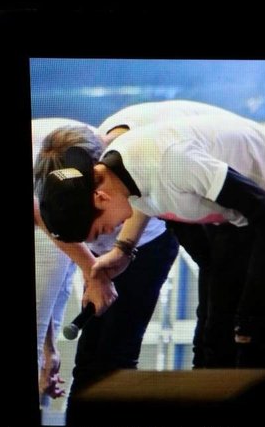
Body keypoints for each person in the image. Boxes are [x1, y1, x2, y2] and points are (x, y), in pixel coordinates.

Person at [39, 110, 265, 370]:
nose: (109, 233)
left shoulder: (170, 164)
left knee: (251, 329)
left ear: (100, 198)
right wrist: (122, 251)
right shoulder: (122, 179)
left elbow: (257, 201)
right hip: (234, 218)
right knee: (215, 332)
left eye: (101, 229)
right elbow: (187, 226)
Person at [32, 118, 179, 403]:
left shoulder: (126, 158)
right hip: (103, 248)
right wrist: (49, 349)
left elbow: (139, 198)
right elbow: (43, 291)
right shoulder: (52, 177)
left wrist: (108, 260)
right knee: (89, 358)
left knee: (115, 355)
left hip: (146, 243)